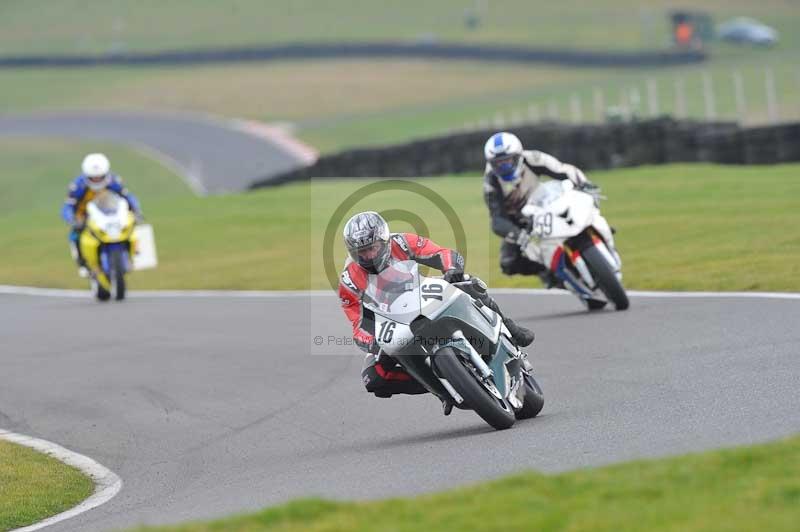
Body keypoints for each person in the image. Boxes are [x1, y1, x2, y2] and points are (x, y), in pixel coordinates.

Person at [338, 211, 534, 405]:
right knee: (373, 378)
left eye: (372, 248)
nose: (368, 256)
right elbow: (358, 324)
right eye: (361, 252)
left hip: (422, 293)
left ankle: (509, 327)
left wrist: (451, 269)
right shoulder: (349, 281)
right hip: (392, 321)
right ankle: (440, 388)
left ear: (384, 240)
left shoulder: (401, 242)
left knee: (469, 283)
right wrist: (372, 341)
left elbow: (440, 253)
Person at [482, 131, 599, 285]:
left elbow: (562, 169)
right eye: (498, 163)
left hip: (544, 203)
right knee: (508, 263)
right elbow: (497, 219)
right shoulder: (490, 182)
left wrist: (584, 183)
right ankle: (546, 272)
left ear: (518, 156)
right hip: (518, 220)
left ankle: (598, 232)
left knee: (581, 210)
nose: (503, 167)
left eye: (507, 161)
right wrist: (519, 235)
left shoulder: (533, 158)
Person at [61, 153, 143, 276]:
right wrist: (72, 219)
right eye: (93, 177)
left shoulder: (113, 181)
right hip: (85, 217)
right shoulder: (78, 186)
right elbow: (67, 206)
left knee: (132, 225)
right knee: (75, 235)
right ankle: (83, 262)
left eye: (100, 177)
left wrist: (136, 210)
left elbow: (127, 197)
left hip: (110, 213)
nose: (97, 180)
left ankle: (134, 253)